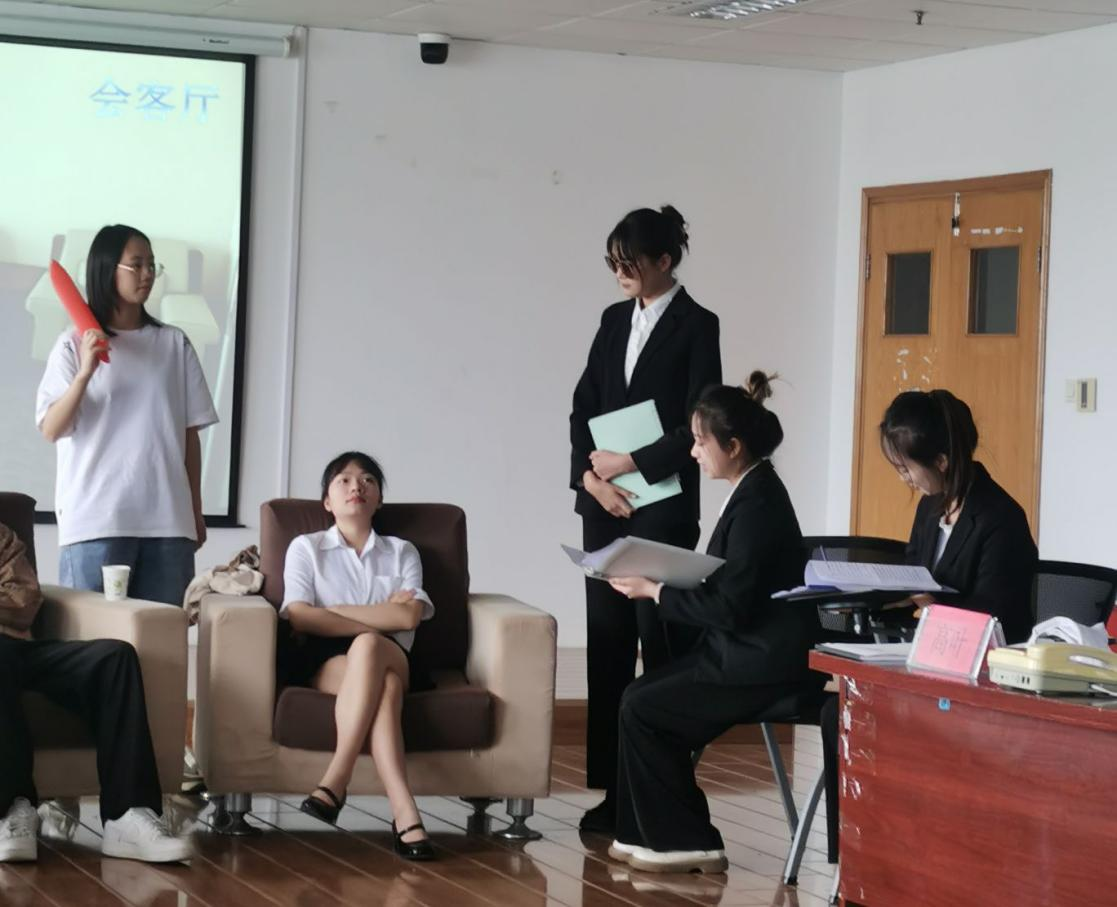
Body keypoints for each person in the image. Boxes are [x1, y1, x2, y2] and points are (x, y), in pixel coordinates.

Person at [604, 374, 819, 873]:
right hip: (739, 650)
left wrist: (657, 590)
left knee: (645, 706)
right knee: (639, 698)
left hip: (760, 663)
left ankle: (691, 842)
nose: (694, 452)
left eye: (701, 442)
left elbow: (730, 609)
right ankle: (642, 833)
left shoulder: (759, 504)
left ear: (734, 446)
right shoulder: (752, 490)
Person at [820, 388, 1039, 864]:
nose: (904, 479)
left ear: (941, 461)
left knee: (897, 723)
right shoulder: (931, 507)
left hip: (980, 673)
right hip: (927, 658)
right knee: (839, 712)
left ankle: (920, 853)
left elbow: (998, 616)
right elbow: (914, 576)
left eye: (906, 468)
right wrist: (878, 592)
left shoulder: (1000, 518)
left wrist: (931, 602)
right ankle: (856, 857)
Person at [569, 205, 722, 832]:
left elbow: (699, 419)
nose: (619, 274)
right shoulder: (613, 319)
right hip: (605, 503)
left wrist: (630, 462)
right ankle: (615, 796)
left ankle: (660, 796)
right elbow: (582, 406)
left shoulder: (698, 324)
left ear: (664, 260)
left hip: (660, 502)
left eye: (629, 263)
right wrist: (590, 478)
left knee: (659, 645)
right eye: (613, 263)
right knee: (607, 645)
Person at [35, 224, 217, 606]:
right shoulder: (71, 346)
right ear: (107, 269)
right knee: (92, 641)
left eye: (152, 265)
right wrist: (85, 373)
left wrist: (195, 512)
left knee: (161, 640)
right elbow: (52, 429)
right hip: (95, 523)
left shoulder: (174, 344)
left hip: (168, 525)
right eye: (136, 265)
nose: (147, 274)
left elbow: (190, 437)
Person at [0, 522, 193, 863]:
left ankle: (127, 815)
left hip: (18, 647)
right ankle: (12, 811)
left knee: (114, 658)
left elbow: (23, 598)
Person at [279, 452, 436, 861]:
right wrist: (379, 613)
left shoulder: (402, 551)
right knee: (384, 687)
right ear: (327, 501)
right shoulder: (306, 548)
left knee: (369, 646)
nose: (357, 487)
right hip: (327, 659)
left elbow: (408, 617)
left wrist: (331, 612)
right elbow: (299, 616)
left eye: (368, 480)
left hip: (392, 651)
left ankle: (337, 777)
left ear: (379, 499)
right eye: (344, 481)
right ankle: (405, 813)